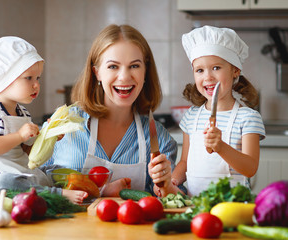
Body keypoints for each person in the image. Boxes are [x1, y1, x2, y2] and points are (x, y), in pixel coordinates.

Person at [44, 24, 178, 197]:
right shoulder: (64, 125)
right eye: (113, 66)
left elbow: (174, 202)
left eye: (135, 66)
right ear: (97, 72)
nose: (124, 76)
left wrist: (166, 185)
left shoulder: (158, 139)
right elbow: (30, 184)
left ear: (145, 72)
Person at [0, 36, 87, 204]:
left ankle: (94, 187)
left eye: (37, 78)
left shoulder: (22, 113)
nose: (36, 84)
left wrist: (48, 137)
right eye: (29, 78)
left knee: (54, 170)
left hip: (19, 170)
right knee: (6, 183)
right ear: (5, 78)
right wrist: (20, 136)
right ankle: (56, 193)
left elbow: (27, 154)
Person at [170, 25, 266, 196]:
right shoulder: (191, 116)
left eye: (216, 68)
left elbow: (250, 168)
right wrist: (172, 181)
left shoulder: (248, 118)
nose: (207, 77)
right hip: (195, 206)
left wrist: (220, 146)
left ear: (235, 70)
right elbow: (184, 162)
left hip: (232, 207)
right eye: (200, 70)